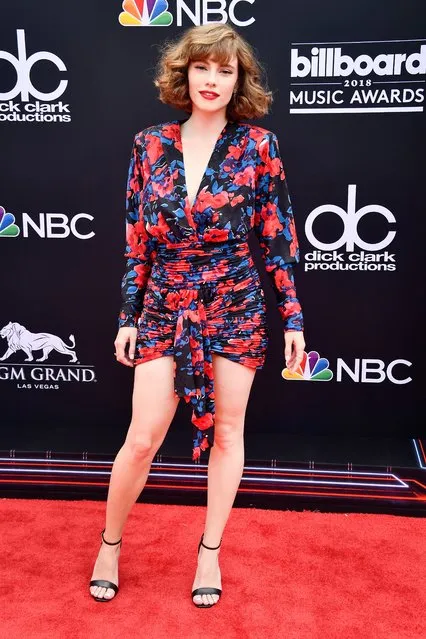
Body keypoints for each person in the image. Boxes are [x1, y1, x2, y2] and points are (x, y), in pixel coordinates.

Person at [89, 22, 305, 608]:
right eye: (202, 67)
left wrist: (293, 319)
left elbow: (278, 238)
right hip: (165, 301)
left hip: (236, 302)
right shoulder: (149, 144)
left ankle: (209, 551)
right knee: (142, 438)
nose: (212, 80)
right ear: (184, 73)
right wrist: (128, 315)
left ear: (240, 81)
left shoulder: (260, 147)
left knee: (229, 433)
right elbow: (138, 242)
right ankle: (110, 543)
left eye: (225, 70)